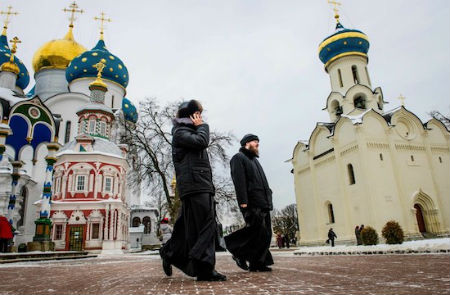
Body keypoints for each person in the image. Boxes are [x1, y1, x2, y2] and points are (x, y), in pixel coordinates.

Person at [159, 100, 226, 282]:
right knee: (206, 224)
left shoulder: (187, 131)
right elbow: (202, 141)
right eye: (199, 114)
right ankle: (204, 269)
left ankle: (169, 253)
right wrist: (203, 126)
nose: (201, 118)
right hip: (195, 184)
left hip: (198, 184)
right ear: (192, 115)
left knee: (185, 227)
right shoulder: (181, 132)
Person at [224, 134, 274, 272]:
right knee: (255, 231)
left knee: (265, 234)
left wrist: (269, 197)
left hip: (263, 202)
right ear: (246, 144)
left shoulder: (255, 161)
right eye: (255, 142)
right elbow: (239, 181)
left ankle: (257, 263)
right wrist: (243, 202)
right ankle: (236, 249)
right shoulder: (238, 158)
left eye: (258, 142)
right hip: (252, 202)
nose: (257, 144)